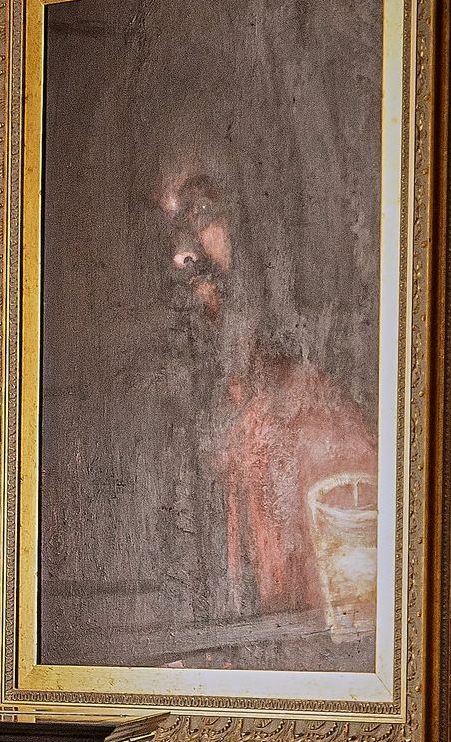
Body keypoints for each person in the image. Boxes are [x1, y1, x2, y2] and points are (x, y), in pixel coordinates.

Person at [158, 162, 376, 629]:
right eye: (181, 226)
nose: (187, 252)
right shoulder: (212, 415)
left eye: (203, 215)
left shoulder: (317, 413)